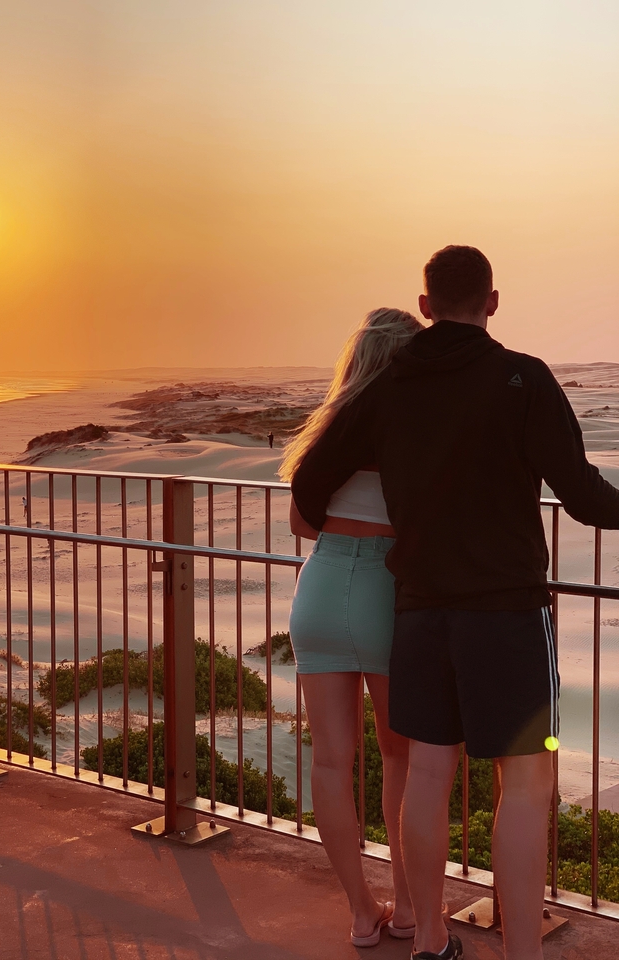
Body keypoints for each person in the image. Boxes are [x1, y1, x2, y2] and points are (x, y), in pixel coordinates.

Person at [291, 245, 619, 960]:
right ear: (492, 302)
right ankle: (523, 953)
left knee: (428, 777)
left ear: (427, 305)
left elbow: (310, 483)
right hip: (506, 611)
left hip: (418, 612)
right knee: (527, 781)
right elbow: (586, 498)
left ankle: (429, 942)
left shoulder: (388, 388)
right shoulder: (521, 377)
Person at [280, 307, 425, 947]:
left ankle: (362, 911)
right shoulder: (413, 428)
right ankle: (412, 904)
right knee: (404, 755)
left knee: (333, 764)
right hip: (386, 592)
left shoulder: (328, 434)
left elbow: (300, 525)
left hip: (321, 583)